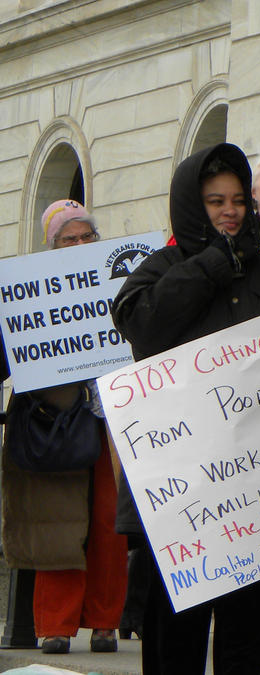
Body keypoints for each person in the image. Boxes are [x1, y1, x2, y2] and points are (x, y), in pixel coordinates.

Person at [112, 142, 260, 675]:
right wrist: (213, 264)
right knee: (173, 644)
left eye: (237, 199)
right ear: (193, 205)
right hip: (181, 497)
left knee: (245, 636)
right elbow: (143, 328)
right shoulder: (160, 271)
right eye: (215, 201)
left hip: (255, 496)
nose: (230, 211)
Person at [1, 200, 128, 655]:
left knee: (110, 523)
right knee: (57, 521)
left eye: (85, 236)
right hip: (51, 421)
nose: (78, 245)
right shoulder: (26, 291)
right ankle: (54, 624)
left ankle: (105, 622)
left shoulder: (121, 284)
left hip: (109, 419)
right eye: (66, 239)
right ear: (50, 246)